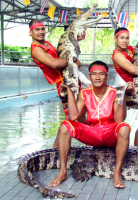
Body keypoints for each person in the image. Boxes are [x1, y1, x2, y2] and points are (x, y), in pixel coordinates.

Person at [49, 61, 131, 189]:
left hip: (110, 133)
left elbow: (119, 119)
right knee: (65, 125)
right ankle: (63, 171)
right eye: (94, 74)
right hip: (92, 133)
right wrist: (70, 90)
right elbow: (74, 116)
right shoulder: (84, 93)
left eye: (101, 74)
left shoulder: (114, 92)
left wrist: (122, 94)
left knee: (124, 127)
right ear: (89, 76)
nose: (97, 77)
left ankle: (116, 173)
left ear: (107, 77)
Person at [29, 19, 85, 118]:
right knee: (71, 115)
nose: (41, 32)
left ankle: (81, 133)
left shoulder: (47, 44)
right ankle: (66, 133)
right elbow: (53, 63)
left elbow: (63, 50)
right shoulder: (37, 49)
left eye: (43, 29)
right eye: (37, 30)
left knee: (80, 111)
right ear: (30, 32)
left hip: (70, 76)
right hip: (63, 83)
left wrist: (77, 39)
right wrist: (73, 60)